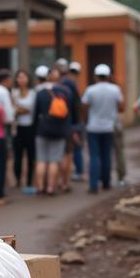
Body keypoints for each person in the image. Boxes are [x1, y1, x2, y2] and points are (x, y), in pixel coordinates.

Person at [81, 63, 124, 193]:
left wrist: (87, 118)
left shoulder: (90, 90)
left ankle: (93, 185)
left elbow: (83, 106)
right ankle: (106, 182)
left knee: (94, 156)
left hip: (93, 127)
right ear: (109, 76)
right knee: (107, 155)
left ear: (95, 76)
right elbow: (122, 107)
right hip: (109, 127)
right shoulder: (115, 89)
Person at [33, 66, 74, 196]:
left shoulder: (40, 93)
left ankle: (40, 187)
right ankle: (51, 187)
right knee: (54, 161)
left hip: (42, 130)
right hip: (60, 131)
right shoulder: (66, 92)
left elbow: (35, 113)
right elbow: (70, 112)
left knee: (41, 160)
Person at [11, 69, 37, 194]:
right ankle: (18, 179)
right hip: (17, 128)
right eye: (19, 77)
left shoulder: (33, 93)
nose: (21, 79)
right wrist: (21, 109)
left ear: (28, 79)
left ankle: (29, 181)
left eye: (23, 77)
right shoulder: (14, 92)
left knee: (31, 155)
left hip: (30, 128)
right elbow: (12, 110)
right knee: (18, 156)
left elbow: (30, 109)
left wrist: (18, 109)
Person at [59, 61, 83, 189]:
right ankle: (76, 173)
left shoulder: (62, 85)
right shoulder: (71, 85)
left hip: (65, 123)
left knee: (65, 151)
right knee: (72, 150)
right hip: (72, 123)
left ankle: (65, 178)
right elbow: (76, 106)